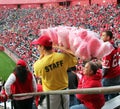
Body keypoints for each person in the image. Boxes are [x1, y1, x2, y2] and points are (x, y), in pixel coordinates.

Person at [32, 35, 77, 109]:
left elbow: (37, 73)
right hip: (65, 93)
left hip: (51, 95)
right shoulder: (62, 57)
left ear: (42, 47)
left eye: (38, 46)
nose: (37, 48)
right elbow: (74, 60)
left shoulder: (38, 64)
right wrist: (60, 48)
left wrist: (41, 58)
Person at [101, 30, 120, 101]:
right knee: (114, 96)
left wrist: (102, 76)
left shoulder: (107, 49)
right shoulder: (114, 45)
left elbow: (106, 68)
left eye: (103, 35)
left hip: (110, 76)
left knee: (104, 96)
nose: (101, 37)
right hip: (117, 73)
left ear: (108, 37)